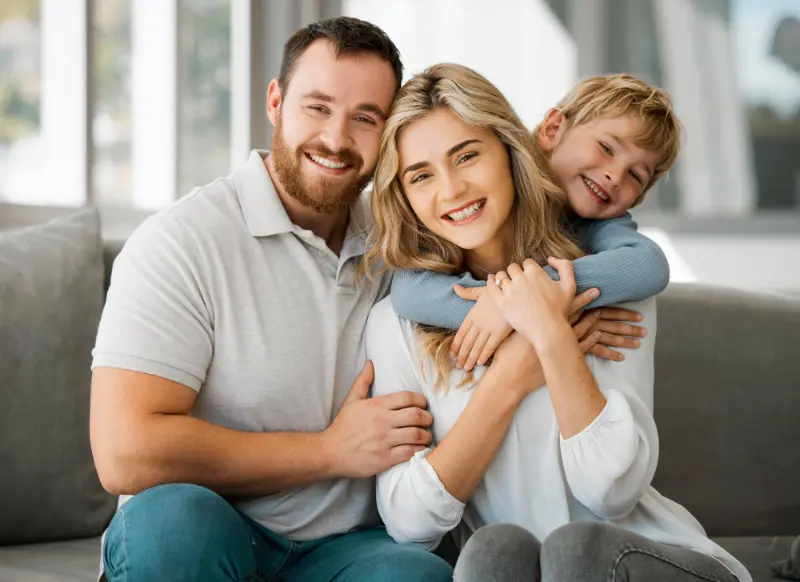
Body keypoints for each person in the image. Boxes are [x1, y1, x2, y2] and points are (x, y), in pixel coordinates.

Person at [89, 17, 453, 582]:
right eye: (317, 107)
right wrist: (328, 451)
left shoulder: (401, 241)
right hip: (211, 535)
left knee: (416, 576)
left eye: (365, 118)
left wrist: (552, 309)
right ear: (276, 102)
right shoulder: (182, 240)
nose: (336, 138)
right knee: (171, 527)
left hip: (349, 550)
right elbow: (124, 452)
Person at [364, 63, 751, 582]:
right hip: (522, 568)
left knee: (576, 551)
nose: (451, 189)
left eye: (467, 156)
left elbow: (611, 492)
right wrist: (513, 371)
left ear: (509, 149)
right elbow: (410, 522)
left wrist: (548, 330)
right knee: (493, 550)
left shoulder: (607, 286)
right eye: (421, 175)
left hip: (643, 559)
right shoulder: (399, 320)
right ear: (405, 196)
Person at [390, 73, 679, 371]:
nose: (615, 176)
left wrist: (520, 301)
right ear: (553, 129)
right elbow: (410, 291)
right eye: (606, 148)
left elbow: (649, 265)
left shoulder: (598, 222)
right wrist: (523, 306)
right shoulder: (489, 191)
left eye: (635, 175)